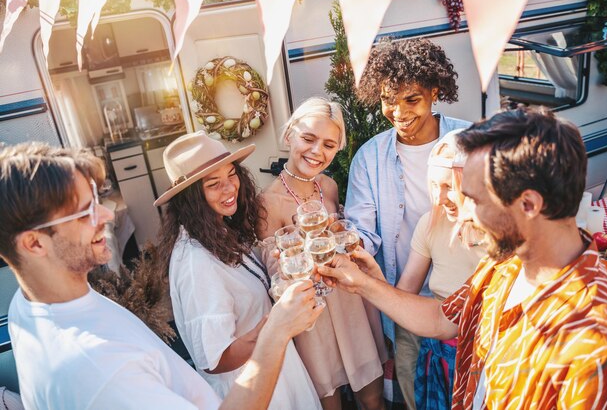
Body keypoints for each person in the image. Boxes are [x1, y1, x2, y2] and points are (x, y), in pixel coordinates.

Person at [318, 107, 607, 409]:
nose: (463, 214)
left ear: (528, 205)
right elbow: (442, 319)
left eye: (475, 200)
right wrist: (362, 283)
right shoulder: (504, 264)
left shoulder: (596, 343)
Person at [1, 142, 320, 410]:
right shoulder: (99, 366)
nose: (108, 215)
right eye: (85, 211)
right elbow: (214, 359)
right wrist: (276, 332)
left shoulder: (28, 305)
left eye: (98, 201)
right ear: (33, 243)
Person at [344, 37, 471, 408]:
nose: (398, 112)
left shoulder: (470, 140)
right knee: (417, 398)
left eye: (411, 100)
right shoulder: (369, 158)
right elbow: (363, 231)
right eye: (388, 99)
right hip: (406, 298)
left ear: (435, 92)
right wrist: (349, 242)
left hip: (467, 301)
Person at [155, 131, 322, 409]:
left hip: (277, 369)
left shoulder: (218, 229)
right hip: (252, 389)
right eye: (213, 184)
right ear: (191, 197)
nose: (230, 188)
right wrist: (278, 323)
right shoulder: (196, 262)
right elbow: (215, 359)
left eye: (231, 175)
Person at [257, 97, 384, 410]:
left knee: (374, 398)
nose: (317, 152)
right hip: (313, 319)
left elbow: (343, 239)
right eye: (309, 139)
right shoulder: (267, 204)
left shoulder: (328, 187)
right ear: (289, 136)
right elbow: (275, 279)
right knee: (330, 403)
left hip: (349, 304)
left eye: (329, 144)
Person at [395, 130, 485, 409]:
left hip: (481, 354)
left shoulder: (498, 236)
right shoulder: (430, 223)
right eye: (434, 186)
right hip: (437, 348)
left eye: (449, 187)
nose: (440, 197)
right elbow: (407, 288)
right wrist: (369, 275)